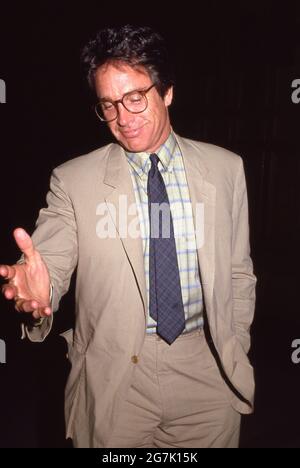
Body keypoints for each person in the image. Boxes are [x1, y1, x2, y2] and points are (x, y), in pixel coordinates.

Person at [0, 25, 256, 448]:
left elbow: (238, 271)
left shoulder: (227, 169)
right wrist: (40, 292)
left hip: (207, 370)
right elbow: (51, 262)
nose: (123, 117)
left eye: (135, 98)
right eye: (108, 105)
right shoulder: (73, 179)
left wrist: (235, 343)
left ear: (167, 91)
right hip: (116, 377)